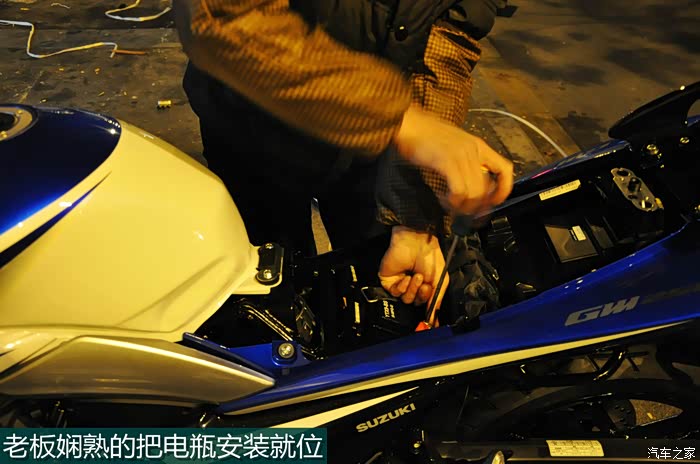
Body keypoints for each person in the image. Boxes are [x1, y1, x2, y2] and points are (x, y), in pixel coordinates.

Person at [173, 0, 513, 317]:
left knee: (372, 306)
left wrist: (413, 215)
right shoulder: (397, 122)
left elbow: (451, 30)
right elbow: (222, 20)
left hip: (375, 149)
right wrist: (398, 121)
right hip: (251, 128)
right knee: (267, 302)